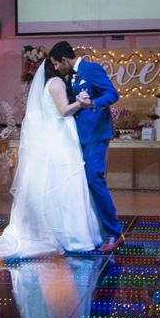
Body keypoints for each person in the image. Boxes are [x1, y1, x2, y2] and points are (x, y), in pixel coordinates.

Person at [0, 60, 102, 261]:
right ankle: (72, 236)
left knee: (58, 186)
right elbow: (64, 111)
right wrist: (81, 103)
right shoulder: (56, 83)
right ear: (58, 63)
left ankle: (64, 232)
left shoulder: (47, 85)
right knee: (66, 185)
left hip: (55, 137)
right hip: (61, 138)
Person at [49, 41, 124, 253]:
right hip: (80, 136)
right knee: (83, 183)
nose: (56, 68)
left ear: (65, 60)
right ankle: (97, 231)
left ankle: (115, 233)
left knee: (94, 179)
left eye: (56, 64)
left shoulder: (91, 69)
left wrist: (92, 103)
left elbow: (112, 94)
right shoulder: (70, 75)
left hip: (96, 134)